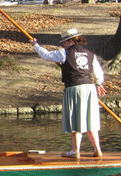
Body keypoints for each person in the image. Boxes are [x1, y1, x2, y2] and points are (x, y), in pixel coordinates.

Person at [29, 28, 107, 159]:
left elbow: (46, 55)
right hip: (89, 88)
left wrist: (35, 45)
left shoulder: (64, 53)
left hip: (74, 88)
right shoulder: (89, 54)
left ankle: (75, 151)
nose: (63, 45)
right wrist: (99, 83)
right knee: (90, 119)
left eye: (64, 42)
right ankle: (97, 149)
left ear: (70, 41)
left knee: (75, 119)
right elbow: (98, 72)